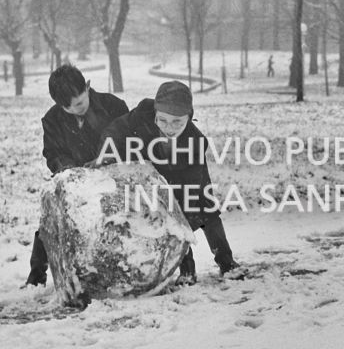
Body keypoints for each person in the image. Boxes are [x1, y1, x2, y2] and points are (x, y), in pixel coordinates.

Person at [99, 80, 239, 285]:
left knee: (204, 213)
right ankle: (187, 270)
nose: (169, 128)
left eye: (177, 122)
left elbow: (185, 196)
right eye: (162, 120)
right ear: (155, 112)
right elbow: (115, 131)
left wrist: (172, 201)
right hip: (155, 176)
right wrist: (106, 155)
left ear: (188, 118)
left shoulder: (196, 143)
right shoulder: (142, 114)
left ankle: (226, 262)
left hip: (190, 180)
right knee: (168, 215)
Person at [25, 64, 130, 286]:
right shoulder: (52, 119)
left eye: (80, 103)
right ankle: (36, 276)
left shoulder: (113, 106)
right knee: (52, 220)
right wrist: (69, 169)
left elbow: (129, 143)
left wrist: (106, 161)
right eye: (68, 108)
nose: (75, 110)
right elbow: (53, 152)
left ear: (88, 87)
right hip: (76, 181)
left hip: (113, 179)